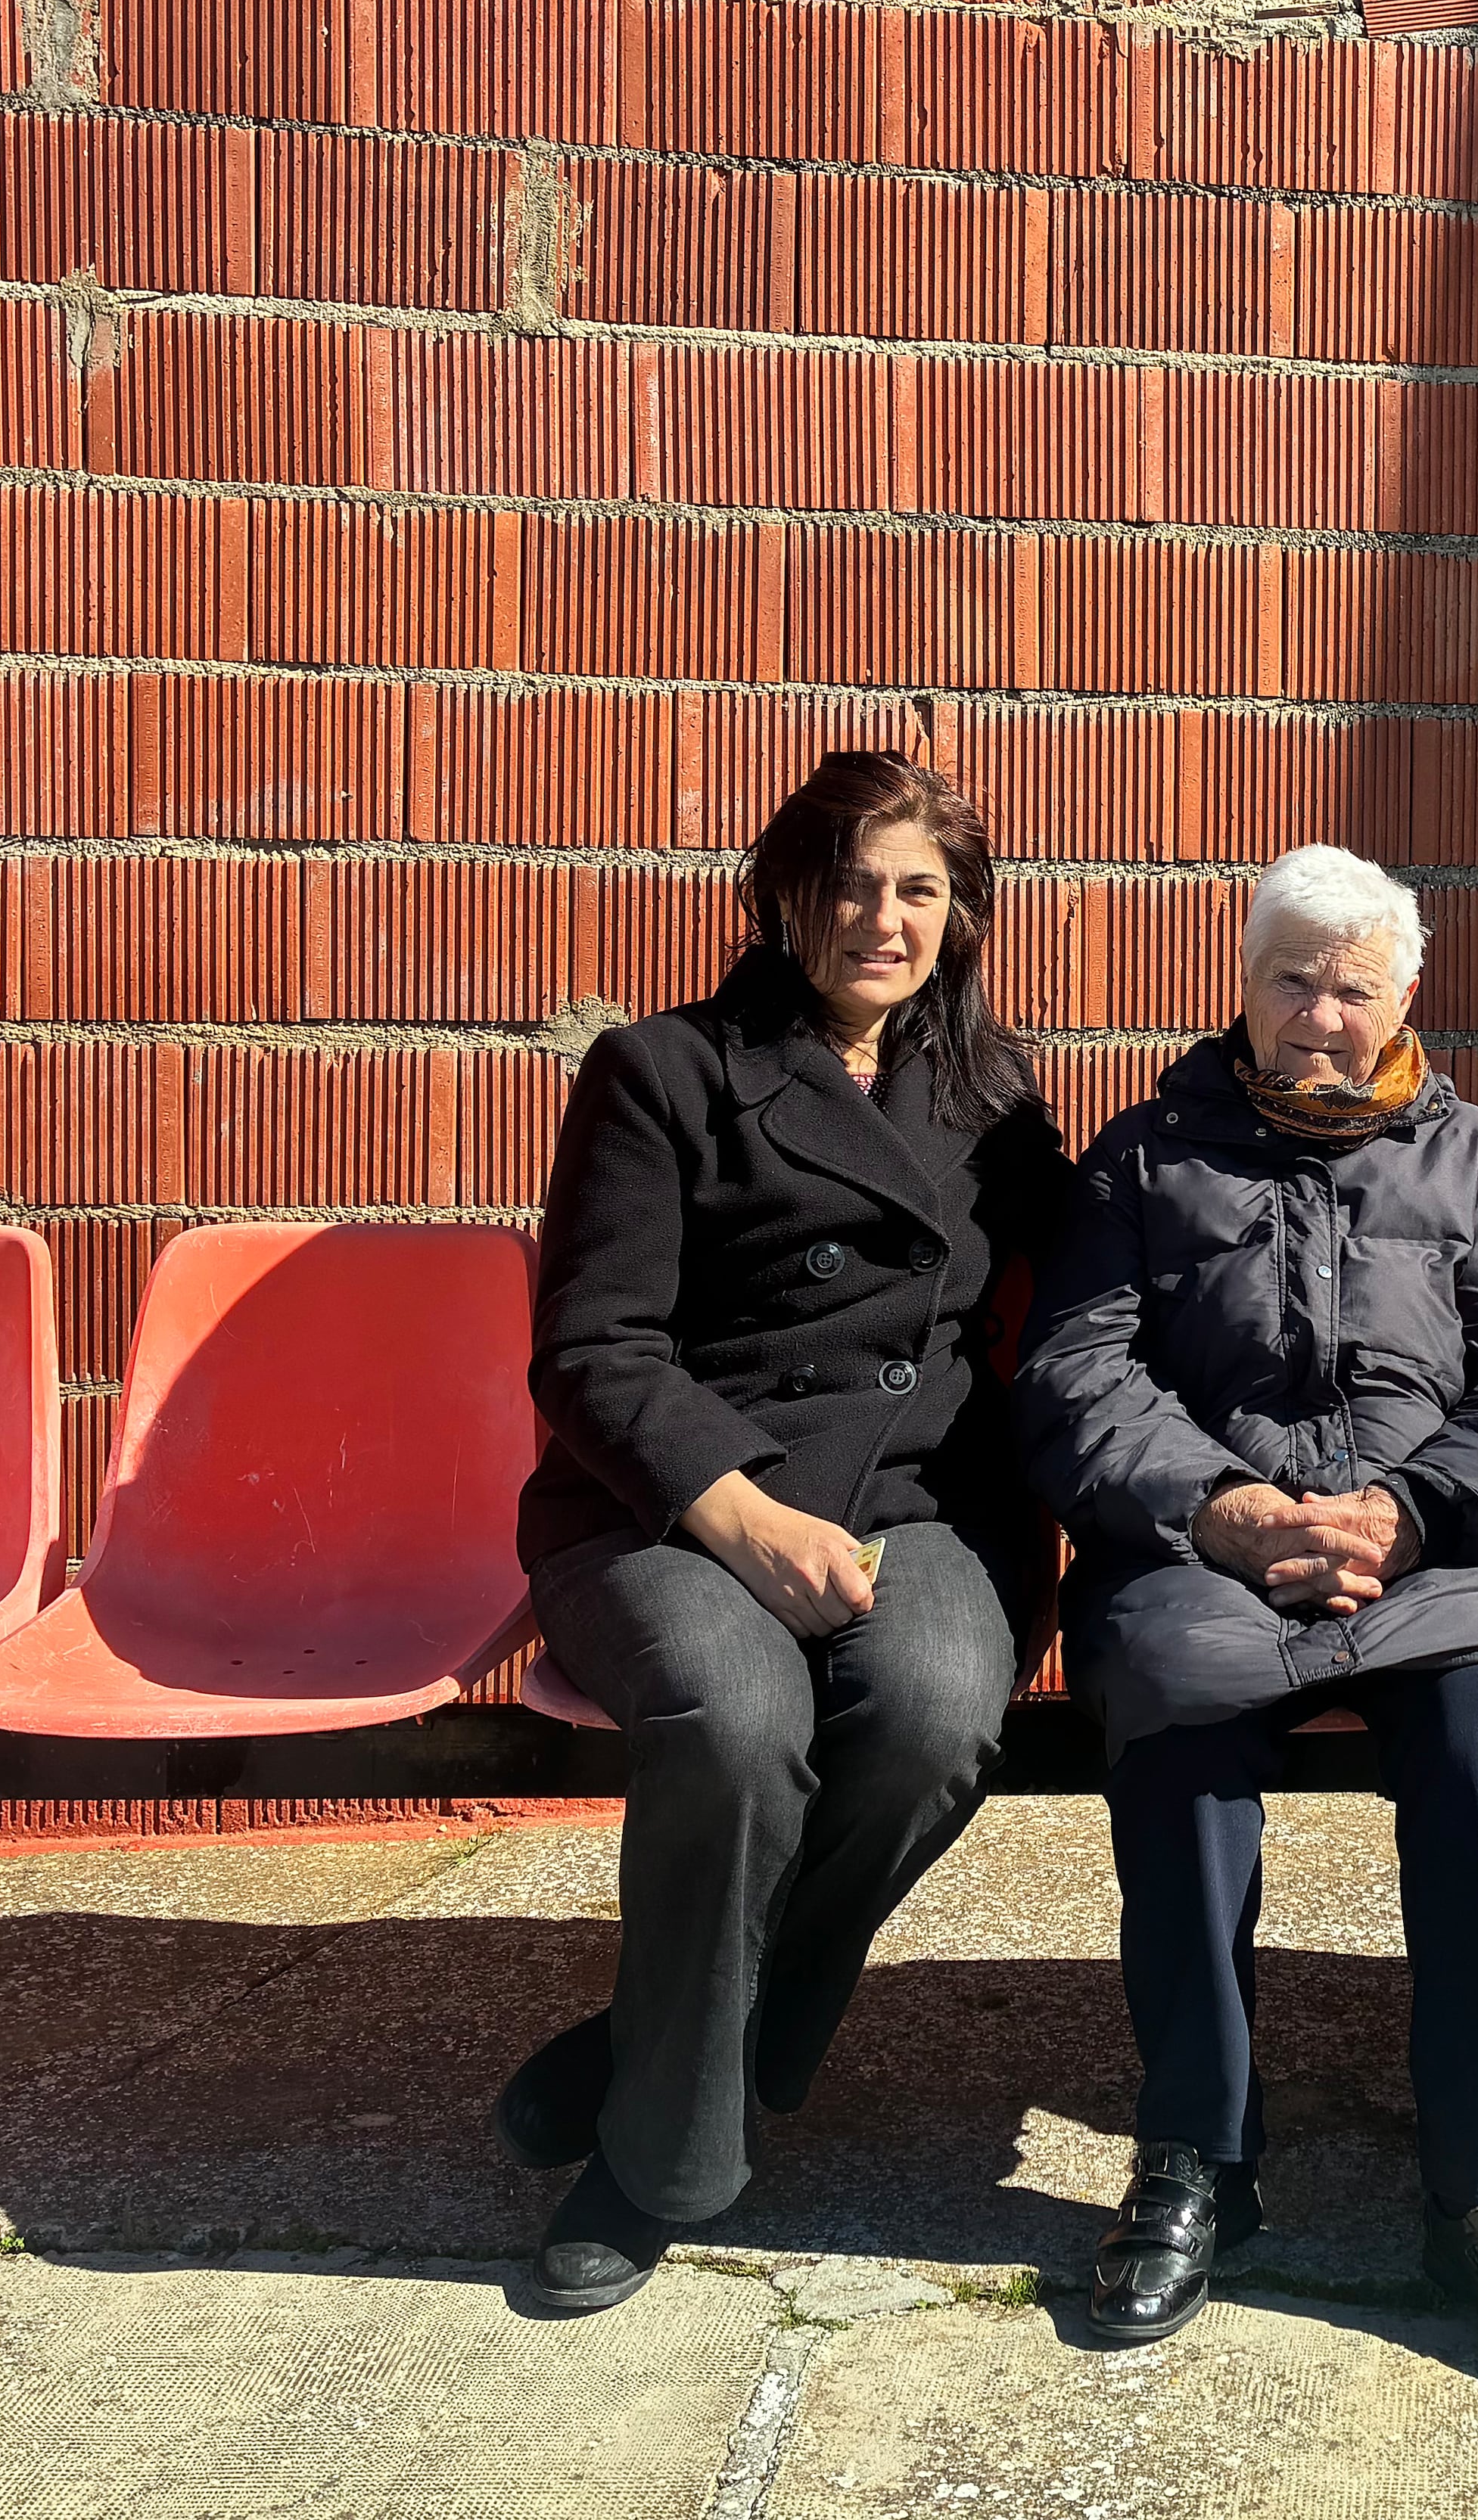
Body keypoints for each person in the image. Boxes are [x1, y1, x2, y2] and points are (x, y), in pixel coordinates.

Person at [1016, 844, 1478, 2400]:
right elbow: (1078, 1377)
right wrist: (1222, 1507)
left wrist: (1411, 1510)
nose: (1317, 1012)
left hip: (1430, 1553)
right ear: (1241, 980)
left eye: (1352, 985)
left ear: (1401, 997)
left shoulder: (1467, 1152)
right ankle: (1199, 2153)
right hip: (1207, 1552)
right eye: (1290, 975)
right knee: (1173, 1714)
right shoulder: (1142, 1154)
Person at [496, 750, 1069, 2313]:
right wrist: (739, 1514)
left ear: (960, 919)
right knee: (736, 1716)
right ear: (784, 893)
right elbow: (591, 1347)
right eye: (852, 882)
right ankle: (657, 2160)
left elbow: (1098, 1290)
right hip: (669, 1504)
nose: (881, 919)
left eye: (920, 891)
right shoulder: (663, 1070)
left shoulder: (995, 1098)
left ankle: (664, 2037)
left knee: (938, 1705)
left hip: (922, 1503)